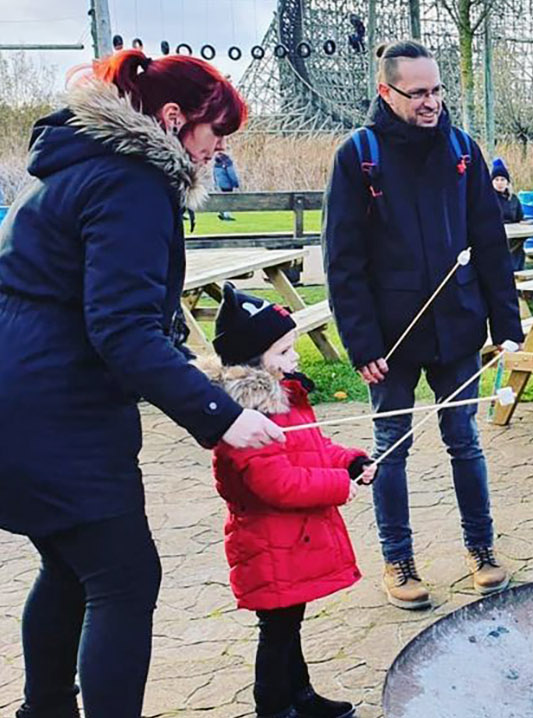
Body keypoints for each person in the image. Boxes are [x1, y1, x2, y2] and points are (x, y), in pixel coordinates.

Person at [0, 49, 284, 717]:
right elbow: (121, 330)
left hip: (22, 396)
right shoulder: (129, 182)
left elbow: (105, 309)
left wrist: (192, 375)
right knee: (124, 578)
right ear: (173, 117)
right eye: (215, 132)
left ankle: (43, 709)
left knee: (71, 569)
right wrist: (220, 414)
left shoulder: (78, 167)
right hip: (52, 412)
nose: (218, 149)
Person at [322, 39, 524, 609]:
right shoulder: (357, 156)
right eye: (418, 93)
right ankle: (398, 560)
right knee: (391, 446)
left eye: (436, 90)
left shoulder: (464, 150)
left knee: (465, 440)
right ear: (387, 92)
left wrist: (505, 323)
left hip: (457, 327)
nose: (431, 102)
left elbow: (489, 240)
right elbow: (343, 260)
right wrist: (361, 343)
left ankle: (482, 549)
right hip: (390, 338)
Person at [200, 285, 364, 718]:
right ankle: (273, 707)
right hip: (270, 545)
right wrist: (337, 486)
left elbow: (313, 447)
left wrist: (349, 462)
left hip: (293, 543)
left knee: (288, 627)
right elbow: (278, 483)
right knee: (277, 631)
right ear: (254, 360)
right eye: (284, 352)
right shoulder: (248, 415)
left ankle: (301, 696)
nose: (294, 360)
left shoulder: (284, 396)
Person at [491, 158, 526, 269]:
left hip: (514, 236)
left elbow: (520, 217)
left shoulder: (513, 199)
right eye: (496, 180)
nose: (500, 183)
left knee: (518, 246)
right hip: (496, 236)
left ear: (507, 182)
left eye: (502, 180)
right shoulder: (488, 199)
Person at [214, 149, 241, 221]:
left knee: (223, 199)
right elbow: (231, 174)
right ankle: (226, 215)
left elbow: (214, 175)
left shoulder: (216, 164)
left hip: (219, 184)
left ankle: (222, 212)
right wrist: (236, 183)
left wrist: (215, 184)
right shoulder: (228, 163)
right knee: (228, 200)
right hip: (227, 184)